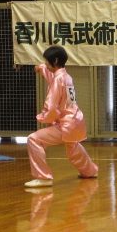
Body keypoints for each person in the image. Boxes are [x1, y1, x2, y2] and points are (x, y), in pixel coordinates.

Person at [24, 45, 98, 188]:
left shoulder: (58, 80)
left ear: (55, 61)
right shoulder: (65, 76)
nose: (46, 64)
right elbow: (51, 74)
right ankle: (90, 171)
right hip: (76, 121)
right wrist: (40, 68)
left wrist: (43, 117)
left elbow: (51, 106)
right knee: (73, 146)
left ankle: (43, 177)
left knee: (33, 139)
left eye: (47, 62)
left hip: (66, 124)